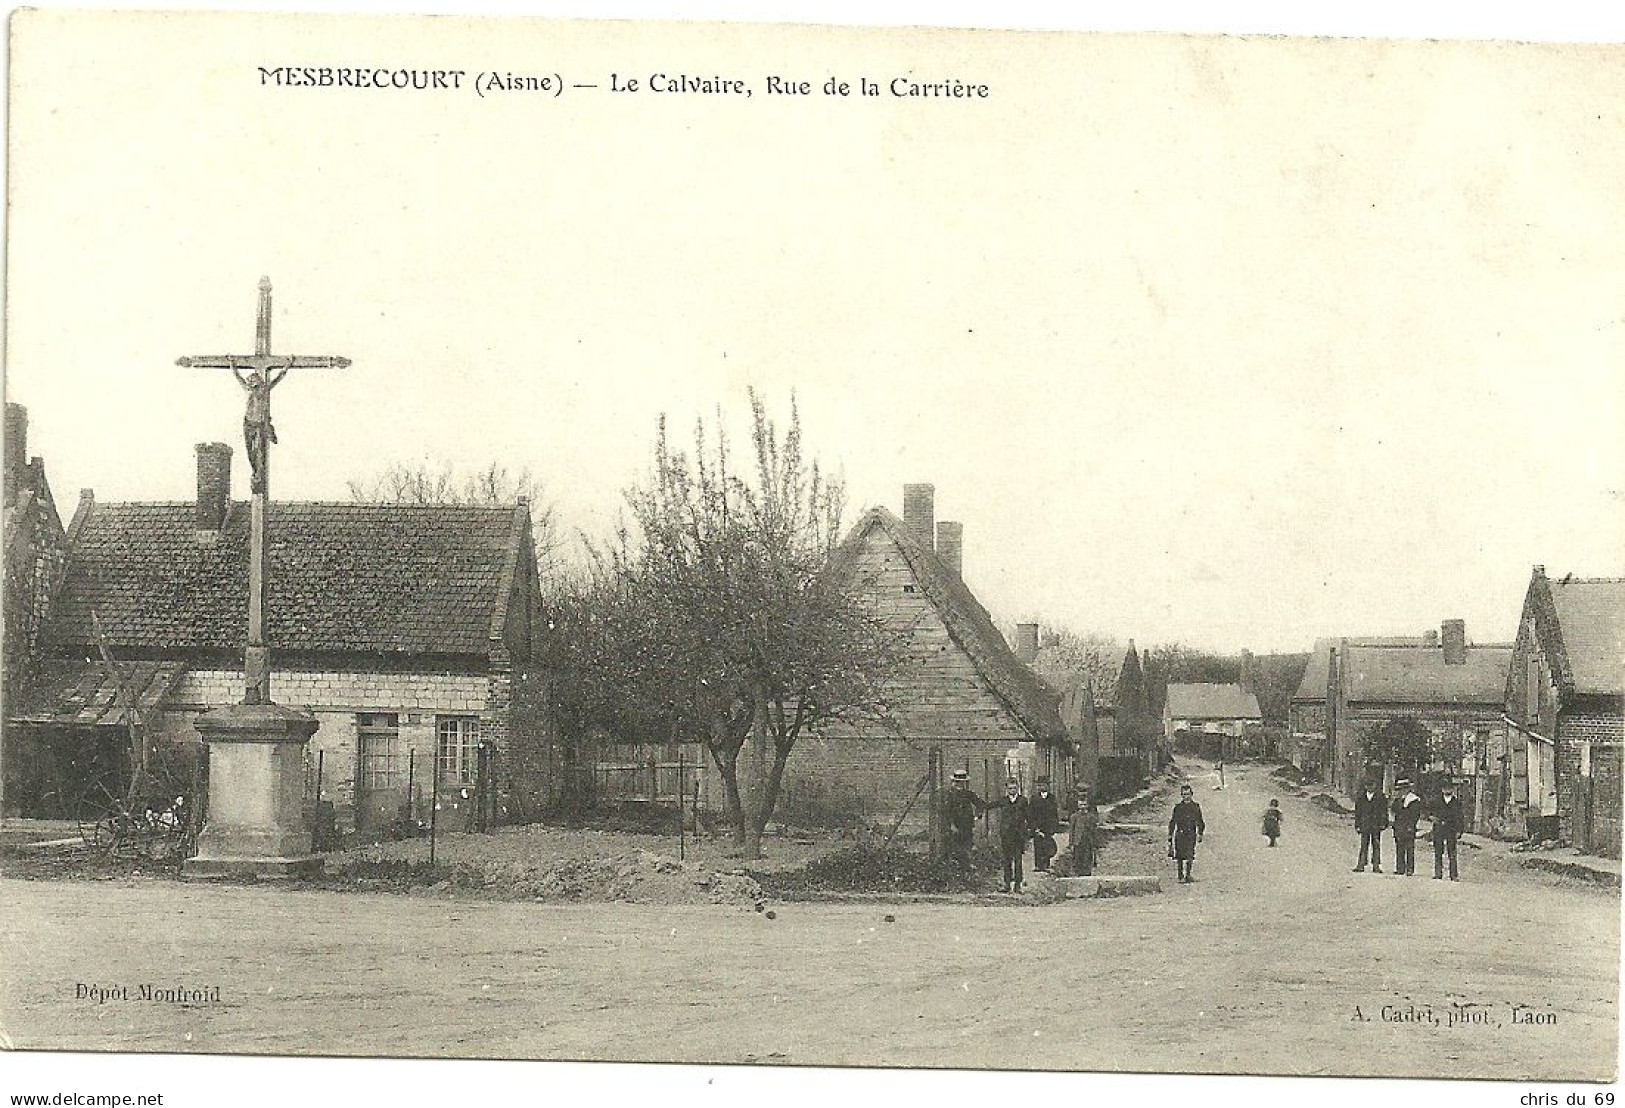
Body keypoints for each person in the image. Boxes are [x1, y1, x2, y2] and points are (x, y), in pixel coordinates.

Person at [235, 363, 287, 494]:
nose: (252, 383)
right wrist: (231, 365)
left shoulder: (264, 390)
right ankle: (256, 475)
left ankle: (258, 475)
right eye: (251, 381)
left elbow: (277, 379)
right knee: (251, 452)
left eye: (254, 380)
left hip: (259, 425)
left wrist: (285, 367)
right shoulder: (248, 390)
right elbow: (238, 377)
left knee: (258, 452)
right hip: (248, 425)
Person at [986, 777, 1031, 893]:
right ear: (1006, 789)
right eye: (1010, 788)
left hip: (1018, 835)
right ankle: (1006, 884)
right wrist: (980, 806)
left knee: (1018, 860)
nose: (1012, 790)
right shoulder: (1003, 801)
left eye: (1014, 788)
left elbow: (1028, 816)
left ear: (1018, 789)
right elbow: (990, 806)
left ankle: (1017, 885)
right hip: (1006, 835)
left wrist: (1030, 831)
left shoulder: (1023, 801)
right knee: (1006, 860)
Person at [941, 769, 986, 870]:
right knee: (956, 845)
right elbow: (946, 811)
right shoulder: (950, 794)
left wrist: (977, 817)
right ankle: (958, 866)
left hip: (967, 823)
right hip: (955, 824)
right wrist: (951, 825)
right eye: (958, 782)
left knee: (967, 844)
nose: (960, 784)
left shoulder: (968, 794)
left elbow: (980, 804)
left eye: (962, 782)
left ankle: (966, 866)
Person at [1167, 783, 1205, 884]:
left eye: (1188, 794)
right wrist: (1170, 834)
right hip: (1180, 834)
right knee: (1179, 855)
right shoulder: (1178, 808)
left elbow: (1200, 821)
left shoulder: (1195, 807)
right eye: (1184, 794)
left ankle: (1188, 875)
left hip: (1191, 834)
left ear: (1191, 794)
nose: (1186, 797)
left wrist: (1200, 833)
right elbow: (1173, 821)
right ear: (1181, 795)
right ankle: (1180, 876)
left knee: (1190, 854)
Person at [1353, 777, 1389, 873]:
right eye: (1367, 785)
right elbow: (1358, 813)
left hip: (1376, 824)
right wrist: (1357, 825)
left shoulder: (1381, 797)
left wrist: (1384, 823)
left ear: (1375, 785)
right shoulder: (1361, 797)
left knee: (1376, 845)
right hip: (1365, 824)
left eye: (1371, 785)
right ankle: (1361, 864)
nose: (1369, 787)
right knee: (1364, 844)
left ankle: (1376, 865)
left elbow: (1384, 812)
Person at [1431, 778, 1465, 881]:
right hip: (1439, 829)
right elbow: (1429, 812)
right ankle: (1438, 873)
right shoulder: (1437, 801)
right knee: (1438, 852)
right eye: (1445, 788)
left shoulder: (1456, 802)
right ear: (1442, 789)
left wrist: (1459, 831)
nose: (1447, 790)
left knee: (1452, 852)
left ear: (1452, 790)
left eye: (1449, 788)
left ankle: (1453, 875)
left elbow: (1460, 817)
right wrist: (1432, 818)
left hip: (1451, 829)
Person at [1390, 778, 1423, 876]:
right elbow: (1394, 810)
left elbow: (1415, 814)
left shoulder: (1414, 800)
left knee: (1409, 848)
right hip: (1399, 826)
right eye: (1400, 789)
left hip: (1409, 826)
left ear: (1409, 789)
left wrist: (1412, 825)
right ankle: (1400, 868)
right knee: (1399, 847)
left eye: (1404, 788)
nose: (1402, 791)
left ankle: (1410, 868)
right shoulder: (1398, 799)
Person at [1029, 776, 1060, 873]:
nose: (1041, 787)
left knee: (1047, 844)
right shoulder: (1034, 798)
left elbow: (1054, 813)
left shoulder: (1052, 798)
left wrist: (1054, 826)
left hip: (1048, 826)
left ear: (1047, 786)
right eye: (1039, 785)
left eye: (1043, 785)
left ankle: (1046, 864)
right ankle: (1038, 865)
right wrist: (1034, 827)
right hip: (1038, 825)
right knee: (1038, 845)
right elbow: (1031, 813)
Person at [1068, 793, 1101, 876]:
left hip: (1088, 840)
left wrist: (1095, 843)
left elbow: (1094, 830)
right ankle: (1078, 873)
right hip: (1078, 841)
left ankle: (1087, 873)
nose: (1082, 807)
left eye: (1084, 805)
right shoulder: (1074, 817)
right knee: (1078, 857)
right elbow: (1071, 830)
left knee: (1087, 857)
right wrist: (1071, 843)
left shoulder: (1091, 817)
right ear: (1078, 805)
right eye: (1081, 805)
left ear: (1087, 805)